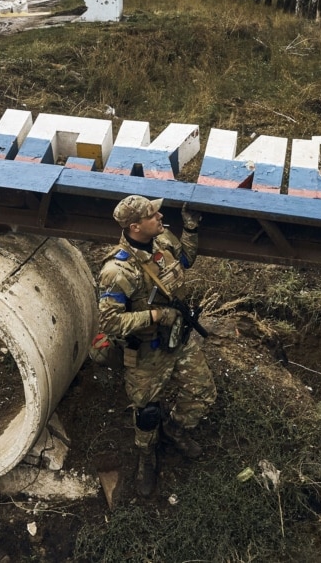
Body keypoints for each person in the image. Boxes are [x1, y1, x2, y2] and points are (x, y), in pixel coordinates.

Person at [96, 195, 217, 497]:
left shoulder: (162, 240)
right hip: (147, 351)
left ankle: (176, 428)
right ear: (135, 227)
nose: (161, 215)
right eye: (153, 215)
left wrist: (190, 228)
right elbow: (110, 324)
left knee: (203, 393)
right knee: (147, 412)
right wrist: (155, 314)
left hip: (179, 337)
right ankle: (146, 456)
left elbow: (186, 258)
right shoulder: (118, 271)